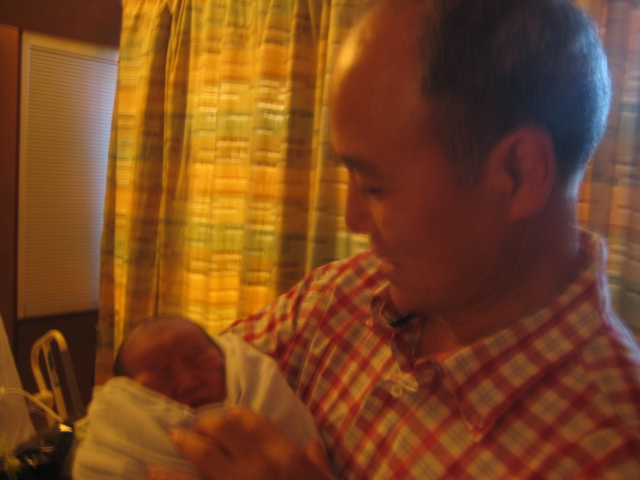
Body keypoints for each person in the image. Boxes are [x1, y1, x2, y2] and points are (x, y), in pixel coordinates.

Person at [151, 0, 640, 479]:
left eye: (375, 187)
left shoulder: (609, 453)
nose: (352, 219)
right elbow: (150, 408)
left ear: (518, 172)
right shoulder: (337, 298)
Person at [72, 315, 324, 480]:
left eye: (201, 362)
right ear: (134, 395)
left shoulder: (258, 390)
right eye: (160, 380)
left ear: (225, 361)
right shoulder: (125, 428)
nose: (188, 383)